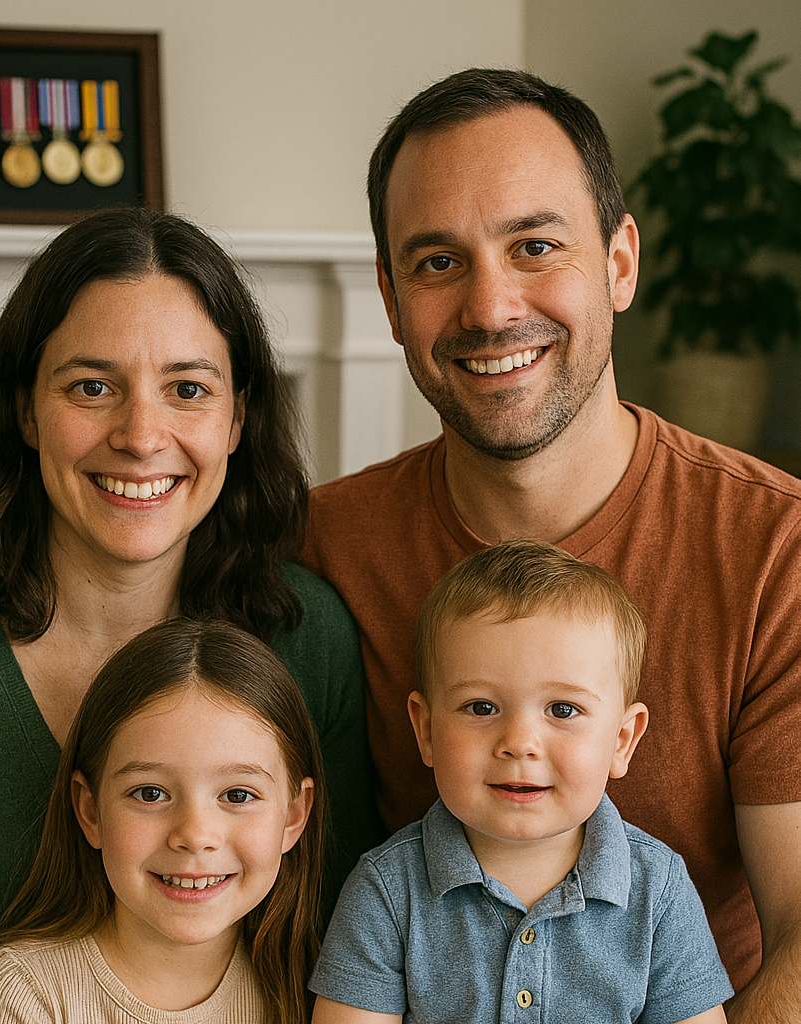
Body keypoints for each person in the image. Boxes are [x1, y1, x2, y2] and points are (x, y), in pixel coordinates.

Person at [0, 207, 380, 1024]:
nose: (142, 436)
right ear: (26, 411)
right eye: (92, 387)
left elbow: (349, 943)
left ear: (239, 417)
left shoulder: (305, 638)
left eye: (187, 389)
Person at [299, 68, 801, 1017]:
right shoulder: (321, 547)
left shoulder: (777, 549)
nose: (490, 309)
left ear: (619, 262)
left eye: (535, 245)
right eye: (438, 261)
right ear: (391, 297)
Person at [310, 540, 732, 1023]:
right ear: (425, 730)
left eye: (563, 710)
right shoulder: (386, 890)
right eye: (481, 707)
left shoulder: (658, 892)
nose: (519, 743)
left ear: (621, 740)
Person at [0, 617, 324, 1024]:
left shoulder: (318, 991)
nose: (194, 836)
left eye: (238, 795)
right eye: (150, 793)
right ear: (90, 810)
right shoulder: (22, 995)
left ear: (294, 815)